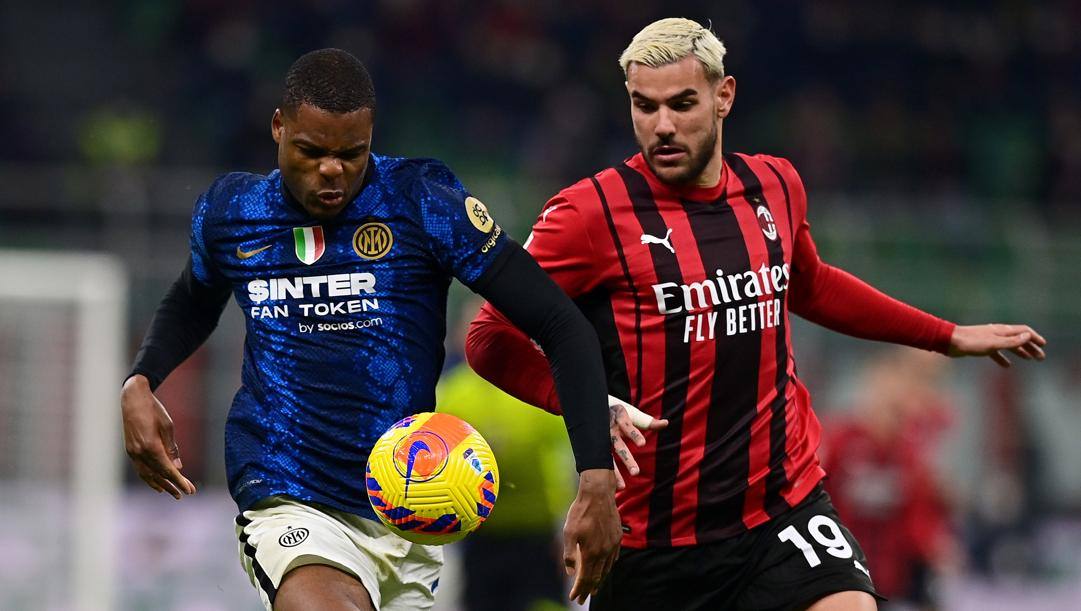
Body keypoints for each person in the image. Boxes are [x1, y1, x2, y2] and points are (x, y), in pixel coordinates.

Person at [465, 18, 1047, 611]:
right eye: (645, 106)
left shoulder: (775, 184)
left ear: (724, 97)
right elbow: (488, 336)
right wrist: (590, 406)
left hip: (780, 508)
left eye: (682, 104)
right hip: (655, 537)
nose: (662, 126)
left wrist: (944, 336)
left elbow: (811, 285)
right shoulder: (588, 216)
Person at [119, 49, 624, 611]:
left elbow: (560, 323)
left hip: (411, 506)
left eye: (351, 154)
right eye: (311, 151)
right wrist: (141, 378)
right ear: (278, 127)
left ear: (371, 137)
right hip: (289, 492)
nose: (331, 170)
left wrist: (596, 476)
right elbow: (194, 298)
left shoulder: (423, 205)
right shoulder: (232, 211)